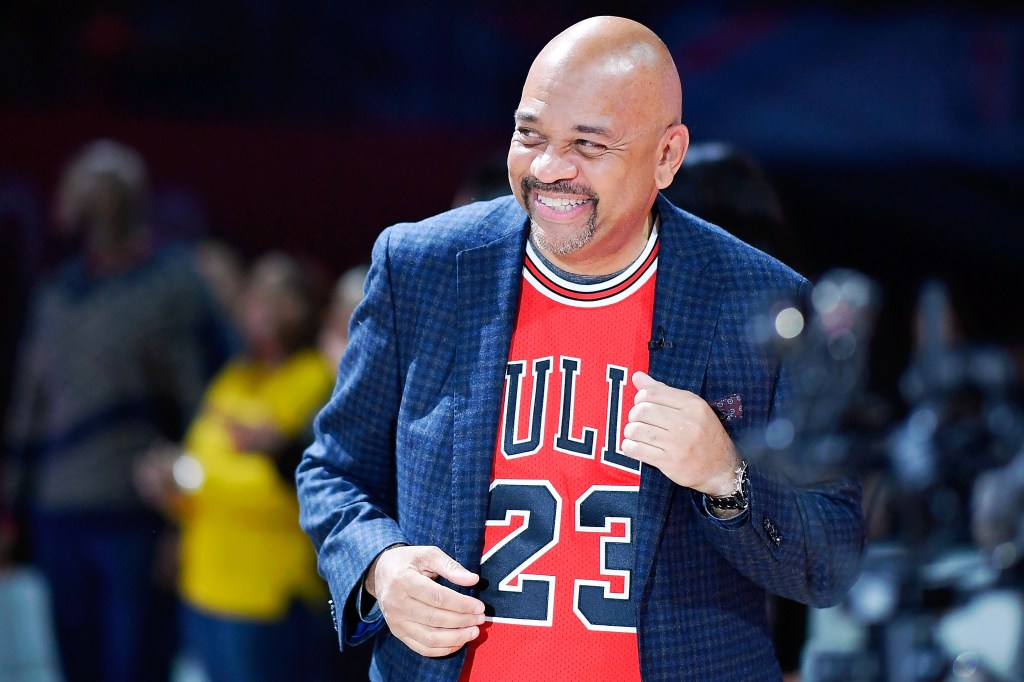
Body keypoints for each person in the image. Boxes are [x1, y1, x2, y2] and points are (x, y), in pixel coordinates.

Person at [297, 16, 865, 682]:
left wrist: (726, 479)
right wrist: (381, 567)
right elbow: (333, 471)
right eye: (530, 135)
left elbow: (829, 563)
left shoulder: (762, 301)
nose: (547, 169)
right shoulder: (423, 267)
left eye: (588, 145)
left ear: (667, 156)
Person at [2, 139, 231, 682]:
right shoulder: (58, 292)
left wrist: (188, 515)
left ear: (127, 201)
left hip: (138, 514)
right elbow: (30, 407)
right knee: (76, 662)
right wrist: (10, 506)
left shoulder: (174, 284)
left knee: (136, 664)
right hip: (60, 511)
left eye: (101, 193)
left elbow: (204, 402)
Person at [135, 252, 340, 682]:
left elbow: (275, 491)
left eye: (281, 295)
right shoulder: (234, 377)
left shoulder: (316, 380)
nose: (264, 306)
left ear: (307, 309)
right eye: (257, 293)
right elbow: (202, 459)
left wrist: (186, 477)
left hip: (265, 596)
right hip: (203, 588)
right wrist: (167, 486)